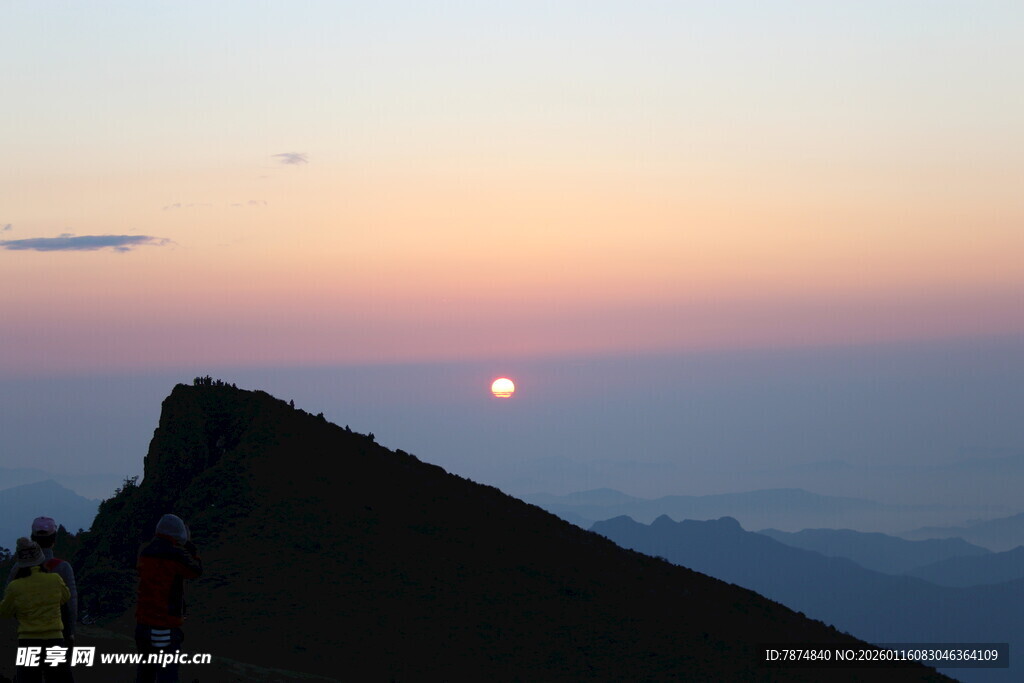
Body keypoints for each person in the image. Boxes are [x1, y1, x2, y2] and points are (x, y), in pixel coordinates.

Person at [134, 514, 202, 683]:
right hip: (164, 624)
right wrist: (190, 546)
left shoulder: (146, 551)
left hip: (143, 624)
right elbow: (196, 571)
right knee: (167, 675)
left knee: (145, 672)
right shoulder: (176, 554)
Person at [0, 538, 71, 683]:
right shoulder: (55, 579)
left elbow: (4, 612)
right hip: (54, 640)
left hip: (28, 642)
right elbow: (66, 597)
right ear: (41, 559)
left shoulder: (15, 586)